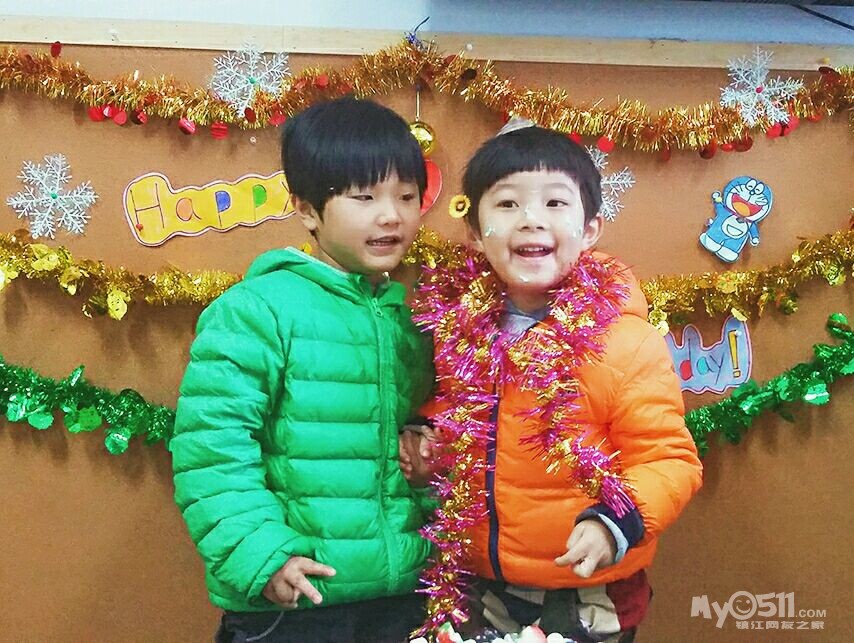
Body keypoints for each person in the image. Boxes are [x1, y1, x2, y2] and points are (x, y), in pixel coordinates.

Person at [401, 121, 702, 642]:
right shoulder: (460, 328)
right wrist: (427, 439)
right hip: (479, 582)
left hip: (586, 590)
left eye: (555, 203)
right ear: (475, 232)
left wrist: (614, 522)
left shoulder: (623, 341)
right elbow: (455, 409)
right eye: (507, 204)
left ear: (590, 230)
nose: (531, 220)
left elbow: (668, 460)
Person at [171, 96, 435, 643]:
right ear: (308, 210)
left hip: (401, 597)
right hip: (296, 598)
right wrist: (263, 555)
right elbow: (212, 448)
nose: (391, 214)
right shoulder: (257, 310)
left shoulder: (407, 317)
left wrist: (425, 439)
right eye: (364, 197)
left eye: (407, 196)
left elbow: (426, 417)